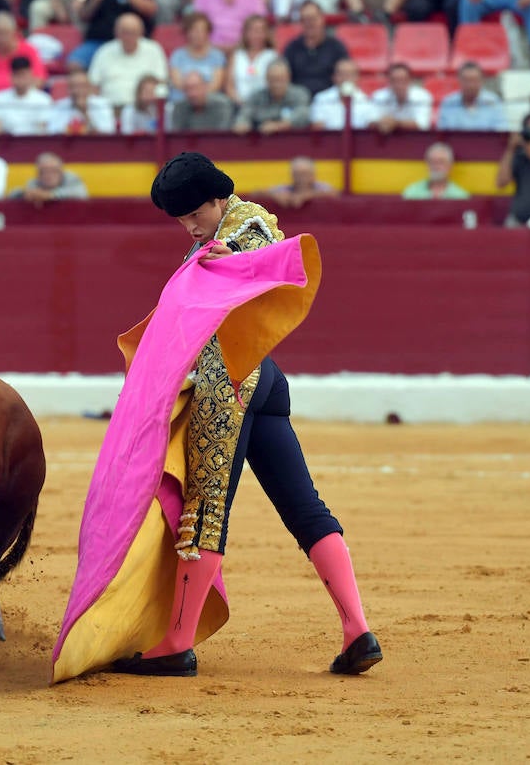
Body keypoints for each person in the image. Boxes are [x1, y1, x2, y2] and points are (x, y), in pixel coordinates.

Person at [98, 151, 380, 680]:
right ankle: (356, 630)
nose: (188, 226)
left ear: (216, 198)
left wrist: (225, 258)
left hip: (227, 384)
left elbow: (262, 251)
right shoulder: (219, 231)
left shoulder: (243, 224)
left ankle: (177, 645)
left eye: (193, 214)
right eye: (179, 219)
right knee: (305, 507)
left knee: (204, 510)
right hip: (265, 381)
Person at [89, 13, 169, 108]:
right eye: (125, 32)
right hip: (112, 109)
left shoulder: (153, 49)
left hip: (144, 109)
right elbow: (93, 84)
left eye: (133, 32)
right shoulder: (104, 51)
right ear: (116, 33)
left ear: (141, 32)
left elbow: (161, 80)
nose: (129, 37)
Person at [283, 1, 349, 99]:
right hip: (300, 101)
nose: (309, 23)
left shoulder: (336, 47)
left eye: (313, 19)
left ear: (322, 19)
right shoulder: (292, 48)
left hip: (329, 101)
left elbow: (345, 75)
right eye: (305, 20)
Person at [233, 58, 311, 134]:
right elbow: (244, 115)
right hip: (261, 143)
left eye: (280, 79)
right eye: (273, 79)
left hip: (292, 142)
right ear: (266, 79)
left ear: (289, 77)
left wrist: (278, 126)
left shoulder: (300, 94)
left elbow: (303, 114)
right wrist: (242, 124)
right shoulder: (256, 97)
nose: (276, 84)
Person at [0, 56, 55, 135]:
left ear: (31, 75)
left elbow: (43, 131)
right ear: (11, 76)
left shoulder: (43, 100)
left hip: (34, 144)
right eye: (17, 75)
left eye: (23, 75)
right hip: (6, 144)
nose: (20, 79)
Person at [169, 12, 227, 103]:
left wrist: (199, 97)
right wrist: (193, 93)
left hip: (208, 101)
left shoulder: (217, 56)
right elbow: (177, 83)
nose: (199, 34)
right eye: (194, 30)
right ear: (187, 32)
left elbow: (216, 85)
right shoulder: (178, 55)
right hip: (182, 100)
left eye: (202, 30)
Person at [223, 14, 279, 107]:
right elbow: (229, 87)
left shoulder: (272, 56)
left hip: (265, 105)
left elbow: (277, 85)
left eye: (261, 30)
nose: (257, 34)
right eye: (253, 30)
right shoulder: (237, 56)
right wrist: (240, 102)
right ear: (245, 33)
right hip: (239, 104)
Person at [436, 61, 508, 130]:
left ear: (481, 80)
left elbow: (501, 132)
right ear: (459, 80)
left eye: (474, 80)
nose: (470, 85)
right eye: (466, 80)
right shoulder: (448, 103)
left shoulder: (493, 102)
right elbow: (442, 135)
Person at [310, 58, 378, 131]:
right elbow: (317, 126)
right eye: (341, 74)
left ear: (358, 78)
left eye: (350, 74)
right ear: (334, 77)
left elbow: (372, 126)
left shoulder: (367, 101)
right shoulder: (321, 99)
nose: (345, 78)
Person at [50, 66, 118, 134]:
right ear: (68, 89)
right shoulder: (59, 106)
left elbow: (107, 135)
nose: (79, 90)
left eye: (83, 86)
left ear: (89, 88)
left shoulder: (102, 105)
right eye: (74, 87)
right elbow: (53, 134)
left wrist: (84, 112)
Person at [372, 62, 433, 132]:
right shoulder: (379, 96)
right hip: (385, 139)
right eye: (394, 80)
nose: (398, 85)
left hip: (413, 139)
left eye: (402, 80)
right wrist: (381, 122)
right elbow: (370, 121)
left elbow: (422, 124)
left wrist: (395, 123)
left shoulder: (422, 96)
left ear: (410, 80)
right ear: (389, 81)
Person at [11, 151, 90, 203]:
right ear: (38, 174)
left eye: (54, 171)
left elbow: (80, 193)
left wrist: (50, 195)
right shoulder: (34, 182)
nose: (49, 175)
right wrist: (23, 194)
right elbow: (13, 194)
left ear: (61, 171)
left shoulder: (72, 178)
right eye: (44, 171)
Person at [262, 155, 337, 209]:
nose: (301, 178)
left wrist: (306, 196)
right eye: (297, 174)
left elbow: (335, 193)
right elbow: (257, 193)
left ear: (313, 175)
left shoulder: (320, 187)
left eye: (305, 174)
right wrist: (274, 195)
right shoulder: (286, 189)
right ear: (292, 175)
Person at [169, 71, 235, 132]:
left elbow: (223, 134)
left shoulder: (222, 105)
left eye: (196, 87)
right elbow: (178, 136)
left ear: (205, 87)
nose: (192, 94)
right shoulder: (179, 108)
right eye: (187, 89)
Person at [402, 142, 469, 199]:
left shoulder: (460, 196)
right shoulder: (411, 193)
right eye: (432, 162)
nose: (436, 166)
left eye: (441, 162)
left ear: (450, 166)